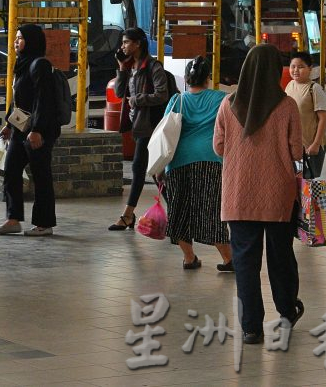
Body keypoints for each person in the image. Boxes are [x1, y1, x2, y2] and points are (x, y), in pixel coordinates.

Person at [213, 44, 304, 345]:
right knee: (280, 257)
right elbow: (296, 150)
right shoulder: (287, 105)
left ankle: (252, 328)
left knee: (245, 263)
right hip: (278, 194)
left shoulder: (228, 105)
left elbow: (219, 147)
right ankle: (287, 311)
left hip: (238, 194)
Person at [160, 56, 232, 271]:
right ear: (208, 78)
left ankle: (189, 258)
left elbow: (165, 132)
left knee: (179, 209)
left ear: (187, 79)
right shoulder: (222, 99)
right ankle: (228, 259)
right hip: (211, 159)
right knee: (211, 210)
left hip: (178, 161)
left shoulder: (177, 100)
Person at [0, 24, 59, 237]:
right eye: (15, 38)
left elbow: (44, 100)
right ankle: (13, 219)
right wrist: (10, 124)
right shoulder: (21, 65)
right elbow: (19, 99)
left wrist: (37, 129)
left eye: (20, 38)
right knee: (11, 170)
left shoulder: (40, 65)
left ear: (32, 41)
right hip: (22, 129)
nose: (15, 42)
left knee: (41, 175)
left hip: (39, 131)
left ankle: (44, 223)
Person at [109, 27, 171, 231]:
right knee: (156, 173)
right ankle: (177, 214)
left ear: (138, 44)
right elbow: (119, 92)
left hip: (151, 125)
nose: (123, 46)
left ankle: (127, 215)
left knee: (139, 168)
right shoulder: (130, 66)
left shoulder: (153, 67)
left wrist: (137, 99)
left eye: (126, 42)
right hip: (138, 126)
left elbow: (162, 94)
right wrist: (121, 68)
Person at [285, 51, 326, 178]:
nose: (296, 70)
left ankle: (312, 199)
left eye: (301, 67)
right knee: (295, 181)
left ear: (310, 69)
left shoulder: (314, 89)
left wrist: (315, 144)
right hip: (294, 146)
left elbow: (323, 118)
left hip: (310, 147)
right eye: (293, 66)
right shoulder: (289, 86)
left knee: (308, 183)